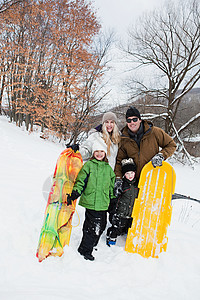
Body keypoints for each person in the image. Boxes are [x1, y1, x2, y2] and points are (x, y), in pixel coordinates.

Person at [67, 141, 116, 261]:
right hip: (91, 201)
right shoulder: (89, 165)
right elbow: (81, 180)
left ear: (105, 153)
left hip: (103, 203)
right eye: (97, 151)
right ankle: (84, 249)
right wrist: (76, 192)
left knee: (102, 225)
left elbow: (111, 185)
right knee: (92, 227)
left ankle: (92, 243)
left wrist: (112, 199)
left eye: (101, 151)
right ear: (93, 153)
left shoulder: (108, 168)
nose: (99, 154)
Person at [114, 106, 177, 182]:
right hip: (133, 181)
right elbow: (119, 161)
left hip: (152, 178)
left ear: (140, 120)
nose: (132, 123)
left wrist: (161, 155)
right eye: (129, 120)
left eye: (134, 119)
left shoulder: (154, 132)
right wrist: (118, 178)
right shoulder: (123, 138)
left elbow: (171, 145)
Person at [106, 158, 138, 246]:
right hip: (121, 213)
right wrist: (113, 211)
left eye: (132, 173)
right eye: (127, 173)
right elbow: (115, 198)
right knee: (117, 228)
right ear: (124, 174)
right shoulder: (122, 185)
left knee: (128, 229)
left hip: (131, 213)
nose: (130, 175)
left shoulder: (137, 185)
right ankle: (111, 239)